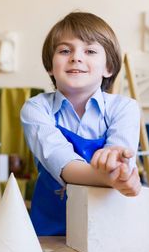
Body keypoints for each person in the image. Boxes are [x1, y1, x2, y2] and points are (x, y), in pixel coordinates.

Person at [21, 12, 141, 236]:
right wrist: (111, 178)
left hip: (107, 231)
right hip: (50, 232)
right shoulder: (36, 109)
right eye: (65, 50)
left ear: (109, 68)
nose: (76, 57)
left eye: (90, 51)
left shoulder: (125, 108)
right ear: (50, 66)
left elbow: (122, 161)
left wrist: (120, 169)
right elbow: (63, 163)